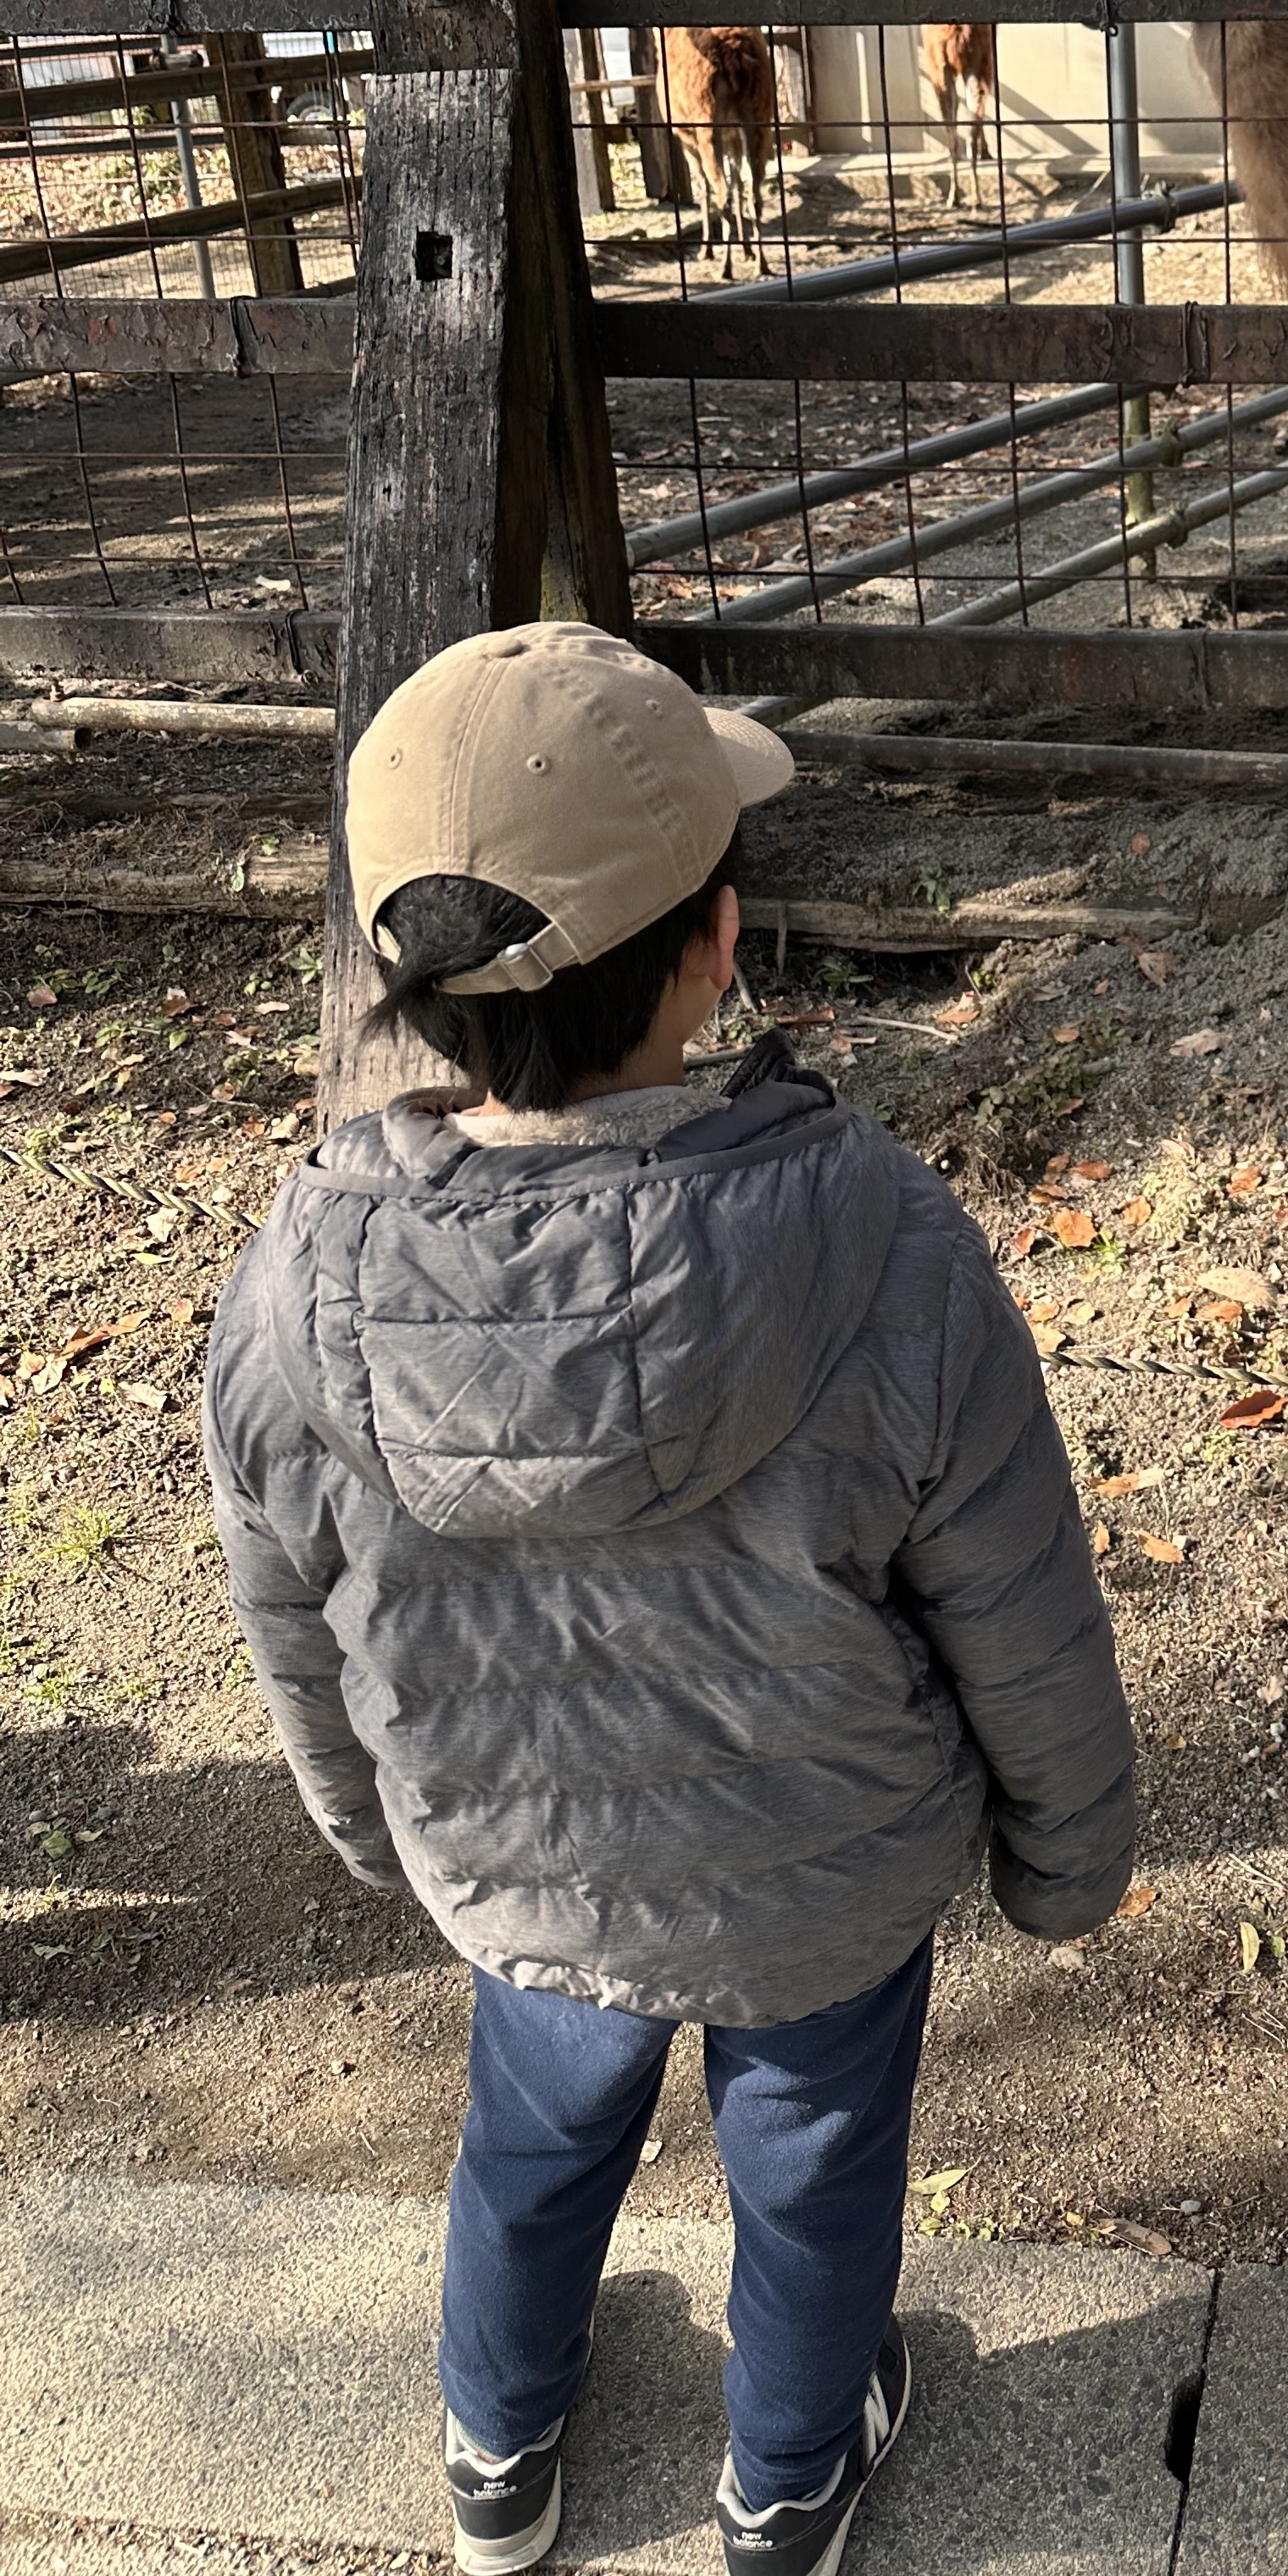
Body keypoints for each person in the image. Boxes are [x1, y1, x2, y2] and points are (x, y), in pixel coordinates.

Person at [201, 623, 1136, 2576]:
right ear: (718, 946)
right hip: (825, 1874)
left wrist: (367, 1828)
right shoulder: (879, 1238)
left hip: (519, 1857)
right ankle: (787, 2477)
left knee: (529, 2148)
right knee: (811, 2169)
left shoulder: (296, 1287)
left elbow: (296, 1615)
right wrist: (1066, 1852)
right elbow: (1014, 1593)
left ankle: (496, 2453)